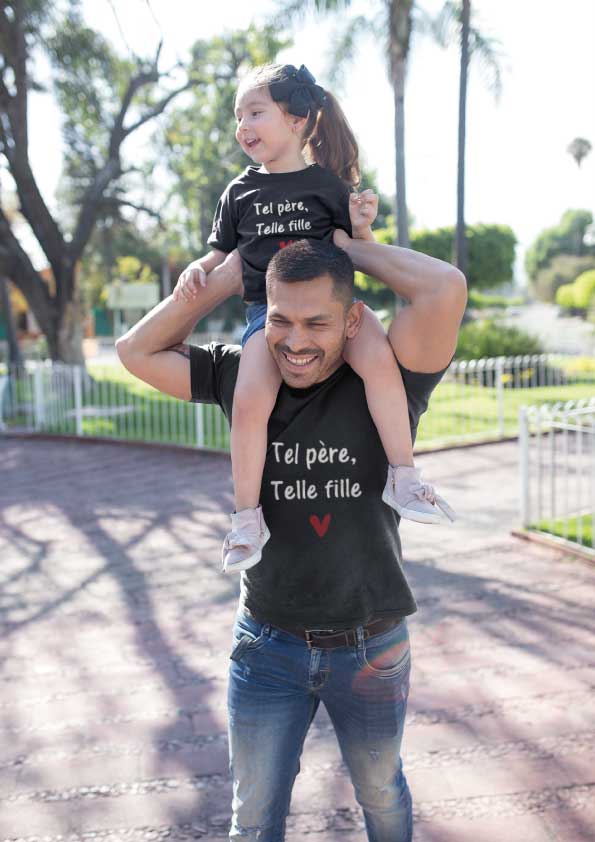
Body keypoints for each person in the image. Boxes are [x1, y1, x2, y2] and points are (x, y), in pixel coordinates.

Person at [115, 231, 467, 842]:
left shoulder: (392, 382)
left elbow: (444, 288)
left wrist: (343, 246)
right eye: (280, 320)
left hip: (372, 646)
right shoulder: (243, 380)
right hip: (267, 647)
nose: (296, 342)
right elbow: (135, 350)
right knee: (251, 820)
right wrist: (219, 281)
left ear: (353, 320)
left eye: (317, 322)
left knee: (383, 795)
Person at [172, 62, 454, 574]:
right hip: (270, 318)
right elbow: (218, 255)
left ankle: (404, 477)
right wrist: (198, 267)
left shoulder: (328, 186)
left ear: (298, 119)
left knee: (379, 365)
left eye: (255, 112)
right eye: (238, 115)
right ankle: (246, 518)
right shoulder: (238, 193)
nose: (243, 125)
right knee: (250, 399)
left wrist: (363, 227)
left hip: (340, 315)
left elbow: (356, 251)